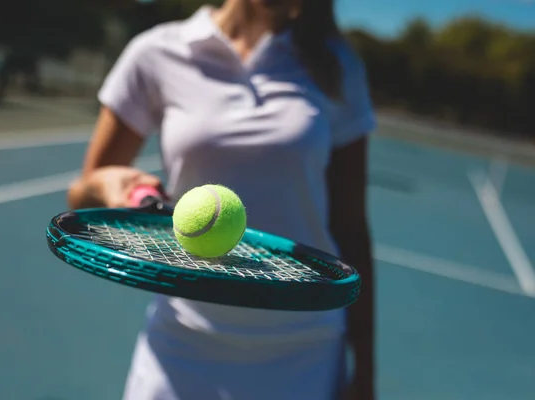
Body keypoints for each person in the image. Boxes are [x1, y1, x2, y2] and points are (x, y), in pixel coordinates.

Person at [67, 0, 376, 399]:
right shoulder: (157, 51)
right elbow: (83, 193)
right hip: (183, 341)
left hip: (302, 352)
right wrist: (111, 184)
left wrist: (365, 374)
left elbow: (352, 228)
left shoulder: (338, 66)